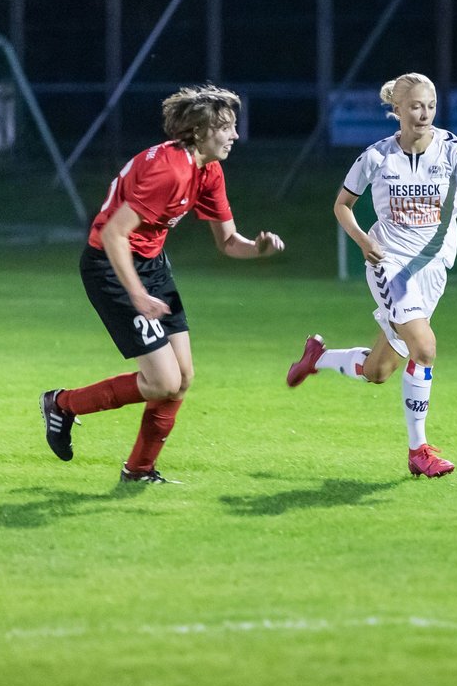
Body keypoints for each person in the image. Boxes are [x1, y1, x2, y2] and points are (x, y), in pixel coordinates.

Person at [40, 83, 284, 484]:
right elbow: (115, 234)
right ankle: (63, 404)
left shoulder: (208, 170)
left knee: (182, 378)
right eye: (227, 127)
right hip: (112, 267)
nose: (235, 135)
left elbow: (227, 242)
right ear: (201, 130)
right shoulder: (168, 171)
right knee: (162, 381)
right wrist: (136, 293)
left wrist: (256, 248)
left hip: (151, 266)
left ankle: (139, 470)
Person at [286, 72, 457, 478]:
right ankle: (419, 451)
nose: (424, 113)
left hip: (433, 268)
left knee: (378, 372)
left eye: (430, 105)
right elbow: (342, 205)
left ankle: (317, 358)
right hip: (390, 264)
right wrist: (363, 241)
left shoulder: (452, 150)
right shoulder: (376, 157)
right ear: (396, 110)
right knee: (425, 349)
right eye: (415, 106)